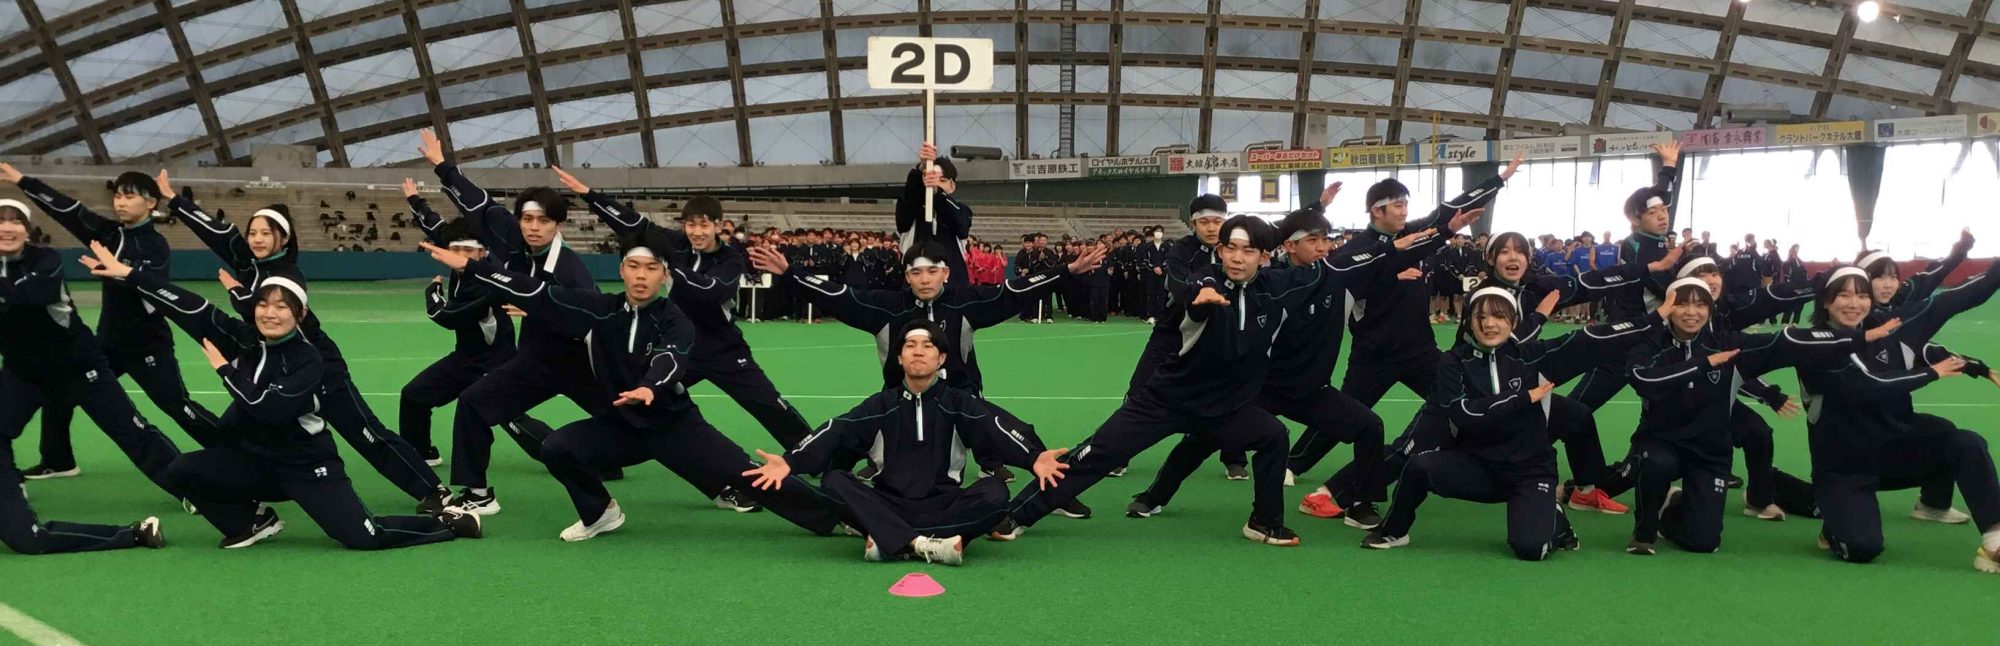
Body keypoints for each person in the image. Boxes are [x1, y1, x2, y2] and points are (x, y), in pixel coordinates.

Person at [418, 232, 842, 542]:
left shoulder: (675, 319)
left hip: (673, 427)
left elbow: (671, 356)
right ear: (621, 271)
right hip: (621, 427)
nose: (641, 276)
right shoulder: (599, 309)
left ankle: (839, 518)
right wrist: (473, 267)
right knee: (558, 448)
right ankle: (600, 512)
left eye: (651, 269)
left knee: (749, 476)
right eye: (633, 267)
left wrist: (650, 387)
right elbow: (535, 292)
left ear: (664, 276)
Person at [83, 243, 481, 550]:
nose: (270, 313)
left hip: (307, 468)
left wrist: (226, 370)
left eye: (281, 307)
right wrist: (130, 274)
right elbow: (190, 307)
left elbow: (270, 410)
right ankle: (249, 523)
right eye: (263, 305)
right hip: (257, 465)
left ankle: (447, 523)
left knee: (364, 537)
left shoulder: (308, 361)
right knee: (182, 471)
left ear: (300, 315)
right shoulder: (244, 338)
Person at [990, 216, 1301, 546]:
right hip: (1165, 399)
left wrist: (1313, 214)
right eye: (1231, 249)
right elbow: (1191, 292)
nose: (1238, 258)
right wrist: (1199, 298)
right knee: (1096, 454)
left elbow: (1309, 263)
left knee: (1273, 435)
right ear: (1220, 251)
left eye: (1248, 251)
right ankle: (1015, 515)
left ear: (1263, 256)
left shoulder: (1273, 290)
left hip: (1222, 407)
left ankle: (1265, 522)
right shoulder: (1204, 282)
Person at [1132, 191, 1424, 526]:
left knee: (1369, 426)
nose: (1322, 247)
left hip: (1310, 390)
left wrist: (1401, 261)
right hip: (1260, 388)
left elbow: (1376, 264)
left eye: (1325, 240)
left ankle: (1361, 502)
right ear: (1288, 246)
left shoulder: (1335, 274)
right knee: (1201, 438)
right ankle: (1153, 496)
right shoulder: (1268, 282)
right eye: (1312, 240)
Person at [555, 168, 813, 511]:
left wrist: (668, 264)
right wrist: (590, 195)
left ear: (720, 226)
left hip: (723, 350)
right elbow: (632, 225)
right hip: (676, 348)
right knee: (636, 399)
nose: (696, 232)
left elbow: (710, 293)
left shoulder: (730, 258)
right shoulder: (673, 244)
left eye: (704, 225)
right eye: (690, 225)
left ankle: (812, 457)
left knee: (768, 404)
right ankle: (612, 456)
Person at [1363, 286, 1662, 559]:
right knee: (1418, 466)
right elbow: (1462, 414)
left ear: (1513, 322)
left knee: (1531, 549)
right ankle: (1394, 530)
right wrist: (1521, 398)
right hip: (1476, 467)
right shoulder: (1453, 362)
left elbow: (1590, 340)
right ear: (1468, 322)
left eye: (1498, 316)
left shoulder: (1532, 356)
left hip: (1529, 472)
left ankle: (1553, 520)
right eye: (1480, 316)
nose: (1490, 324)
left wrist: (1656, 318)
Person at [742, 320, 1072, 565]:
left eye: (927, 346)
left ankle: (890, 539)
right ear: (899, 357)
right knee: (834, 482)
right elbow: (836, 429)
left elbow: (995, 426)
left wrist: (1033, 458)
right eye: (910, 346)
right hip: (890, 502)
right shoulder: (881, 405)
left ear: (941, 358)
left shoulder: (958, 402)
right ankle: (931, 544)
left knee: (996, 493)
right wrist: (790, 461)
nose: (917, 351)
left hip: (944, 504)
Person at [419, 130, 613, 514]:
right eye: (527, 218)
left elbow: (588, 318)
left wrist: (541, 308)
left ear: (559, 224)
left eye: (543, 219)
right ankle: (477, 494)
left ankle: (724, 482)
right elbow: (481, 206)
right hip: (535, 362)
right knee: (473, 403)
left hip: (581, 364)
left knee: (648, 421)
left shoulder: (572, 271)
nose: (533, 226)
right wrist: (444, 168)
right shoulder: (513, 240)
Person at [1620, 277, 1883, 555]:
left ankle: (1672, 511)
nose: (1691, 312)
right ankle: (1644, 531)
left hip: (1709, 453)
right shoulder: (1649, 347)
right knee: (1656, 463)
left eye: (1700, 305)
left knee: (1704, 542)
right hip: (1661, 442)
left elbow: (1781, 343)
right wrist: (1702, 364)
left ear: (1710, 309)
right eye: (1682, 303)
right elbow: (1643, 379)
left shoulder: (1726, 343)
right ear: (1668, 307)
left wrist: (1853, 337)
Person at [0, 165, 224, 479]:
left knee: (177, 407)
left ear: (151, 203)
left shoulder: (155, 245)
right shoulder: (106, 233)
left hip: (148, 347)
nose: (120, 202)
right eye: (118, 195)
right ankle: (59, 459)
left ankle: (231, 453)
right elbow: (68, 210)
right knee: (59, 394)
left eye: (129, 196)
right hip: (106, 344)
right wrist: (25, 182)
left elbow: (154, 288)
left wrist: (121, 271)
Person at [1797, 263, 2000, 572]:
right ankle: (1827, 514)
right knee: (1863, 546)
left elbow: (1955, 299)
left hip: (1892, 453)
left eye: (1861, 295)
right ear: (1826, 301)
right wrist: (1929, 374)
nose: (1854, 304)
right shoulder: (1813, 345)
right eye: (1843, 296)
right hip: (1844, 468)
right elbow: (1864, 386)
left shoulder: (1892, 328)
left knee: (1963, 442)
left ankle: (1994, 540)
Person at [398, 184, 552, 472]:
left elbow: (446, 317)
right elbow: (438, 228)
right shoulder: (459, 260)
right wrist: (414, 200)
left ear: (482, 253)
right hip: (466, 358)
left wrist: (432, 294)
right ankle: (420, 454)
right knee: (414, 396)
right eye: (454, 250)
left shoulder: (486, 282)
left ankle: (575, 458)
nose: (460, 255)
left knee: (513, 419)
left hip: (497, 363)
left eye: (468, 251)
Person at [898, 142, 972, 287]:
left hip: (953, 287)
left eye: (942, 180)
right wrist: (921, 168)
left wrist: (938, 194)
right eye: (930, 178)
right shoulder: (911, 210)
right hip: (916, 288)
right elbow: (906, 208)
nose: (934, 183)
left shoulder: (961, 210)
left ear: (952, 185)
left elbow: (960, 225)